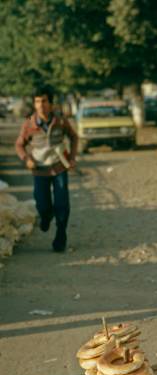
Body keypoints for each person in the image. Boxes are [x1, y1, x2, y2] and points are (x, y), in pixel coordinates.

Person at [15, 84, 78, 253]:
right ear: (34, 104)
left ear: (50, 103)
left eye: (44, 101)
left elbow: (74, 137)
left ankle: (61, 234)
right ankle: (45, 216)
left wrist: (72, 158)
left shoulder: (61, 120)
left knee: (62, 202)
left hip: (59, 167)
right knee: (42, 203)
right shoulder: (29, 123)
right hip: (39, 169)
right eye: (37, 101)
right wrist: (26, 159)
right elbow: (19, 145)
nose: (40, 105)